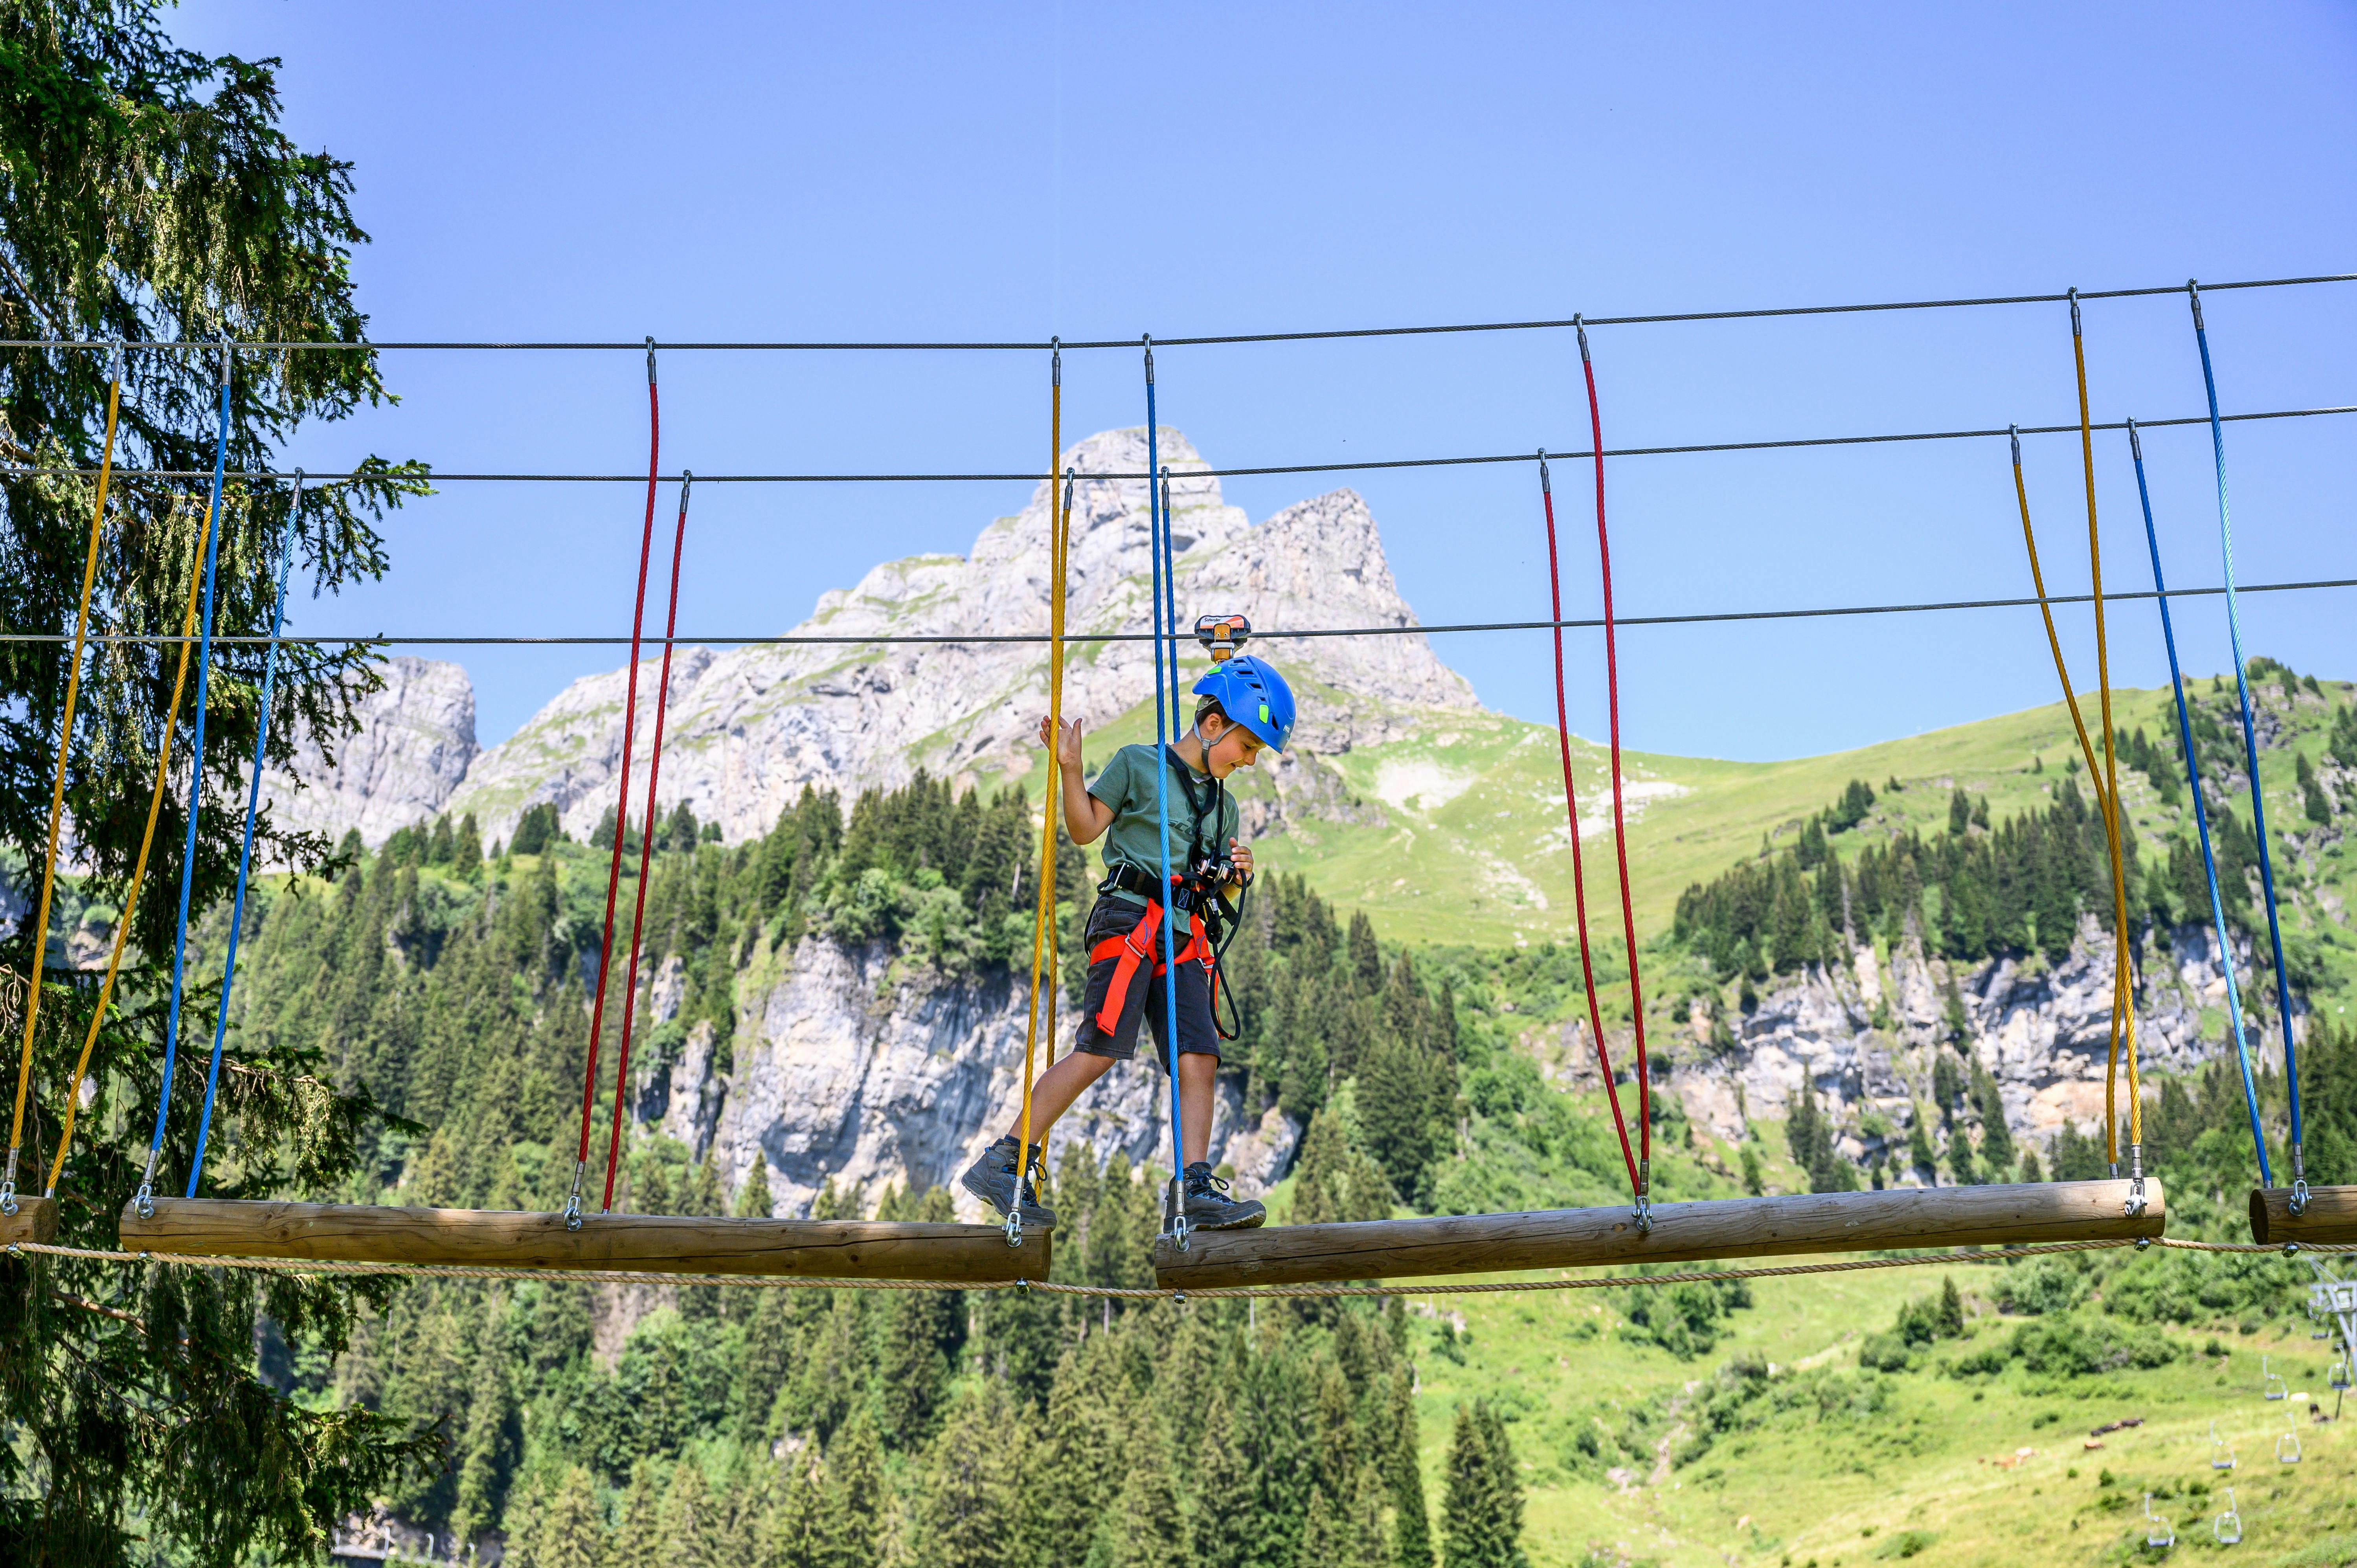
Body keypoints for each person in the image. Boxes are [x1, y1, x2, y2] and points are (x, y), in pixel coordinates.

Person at [962, 654, 1297, 1233]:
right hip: (1129, 920)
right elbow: (1086, 827)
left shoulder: (1224, 806)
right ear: (1213, 724)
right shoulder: (1138, 766)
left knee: (1200, 1054)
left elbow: (1206, 875)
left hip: (1184, 932)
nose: (1247, 761)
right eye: (1246, 747)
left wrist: (1234, 875)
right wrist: (1069, 768)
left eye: (1255, 754)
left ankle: (1193, 1184)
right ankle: (1006, 1158)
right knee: (1099, 1048)